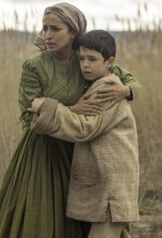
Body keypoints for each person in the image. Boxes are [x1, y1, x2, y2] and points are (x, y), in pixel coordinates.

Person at [0, 3, 140, 238]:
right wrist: (73, 108)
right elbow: (28, 116)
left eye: (55, 28)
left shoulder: (86, 59)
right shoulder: (35, 65)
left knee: (90, 217)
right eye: (44, 28)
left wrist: (128, 89)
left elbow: (127, 79)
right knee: (38, 220)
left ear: (73, 32)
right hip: (42, 154)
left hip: (81, 153)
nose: (47, 35)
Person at [30, 30, 139, 238]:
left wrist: (47, 108)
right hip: (110, 184)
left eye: (92, 59)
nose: (85, 65)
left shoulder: (107, 89)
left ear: (110, 62)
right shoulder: (97, 84)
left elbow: (84, 128)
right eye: (81, 59)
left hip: (112, 188)